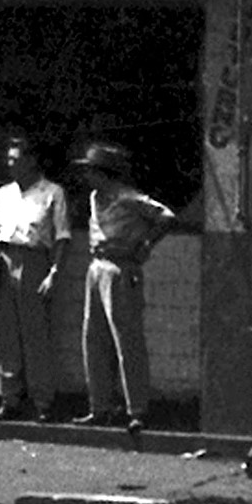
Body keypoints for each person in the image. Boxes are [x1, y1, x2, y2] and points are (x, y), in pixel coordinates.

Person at [74, 143, 183, 434]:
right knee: (93, 338)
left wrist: (144, 243)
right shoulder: (96, 197)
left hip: (121, 267)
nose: (86, 177)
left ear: (104, 173)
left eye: (91, 171)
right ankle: (100, 407)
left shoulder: (128, 197)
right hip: (96, 265)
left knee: (127, 340)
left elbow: (166, 217)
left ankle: (137, 409)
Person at [0, 136, 69, 423]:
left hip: (34, 261)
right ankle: (9, 399)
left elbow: (62, 238)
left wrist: (54, 273)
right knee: (4, 334)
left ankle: (42, 402)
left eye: (15, 159)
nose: (10, 164)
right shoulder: (4, 193)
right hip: (5, 259)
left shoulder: (52, 193)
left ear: (31, 161)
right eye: (8, 159)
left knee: (35, 335)